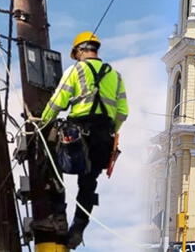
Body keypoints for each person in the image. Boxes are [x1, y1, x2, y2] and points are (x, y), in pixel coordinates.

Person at [38, 31, 128, 249]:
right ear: (95, 49)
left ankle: (58, 215)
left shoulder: (76, 70)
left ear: (79, 51)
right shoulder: (115, 75)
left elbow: (57, 101)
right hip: (104, 139)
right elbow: (123, 111)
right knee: (88, 185)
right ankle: (78, 229)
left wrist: (41, 123)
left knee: (49, 160)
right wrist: (110, 131)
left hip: (78, 134)